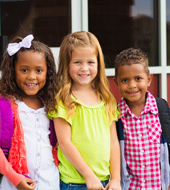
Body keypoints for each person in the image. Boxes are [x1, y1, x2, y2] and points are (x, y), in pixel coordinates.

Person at [0, 34, 59, 190]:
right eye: (24, 70)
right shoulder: (2, 105)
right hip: (14, 183)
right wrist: (15, 178)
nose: (31, 77)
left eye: (39, 70)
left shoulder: (51, 103)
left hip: (50, 182)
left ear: (48, 72)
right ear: (13, 71)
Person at [49, 31, 121, 190]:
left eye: (90, 62)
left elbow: (114, 142)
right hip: (75, 183)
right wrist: (89, 176)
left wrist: (116, 178)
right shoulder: (64, 100)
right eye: (77, 62)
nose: (84, 68)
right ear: (67, 64)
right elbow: (64, 142)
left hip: (106, 182)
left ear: (98, 63)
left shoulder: (106, 99)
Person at [114, 48, 170, 190]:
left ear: (148, 79)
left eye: (138, 78)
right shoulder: (115, 116)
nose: (132, 85)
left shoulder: (162, 110)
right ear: (116, 82)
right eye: (124, 80)